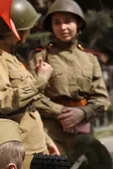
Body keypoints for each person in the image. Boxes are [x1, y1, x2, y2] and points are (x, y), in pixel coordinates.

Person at [0, 0, 60, 169]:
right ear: (15, 29)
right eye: (26, 27)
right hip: (20, 145)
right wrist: (40, 80)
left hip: (35, 141)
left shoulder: (12, 56)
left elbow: (28, 105)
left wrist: (46, 140)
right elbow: (4, 101)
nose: (29, 32)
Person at [28, 0, 111, 154]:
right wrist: (62, 111)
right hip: (51, 134)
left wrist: (83, 113)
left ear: (78, 23)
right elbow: (32, 95)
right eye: (57, 23)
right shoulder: (41, 55)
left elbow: (102, 99)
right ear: (51, 27)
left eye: (68, 21)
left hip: (83, 134)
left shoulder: (90, 59)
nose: (63, 27)